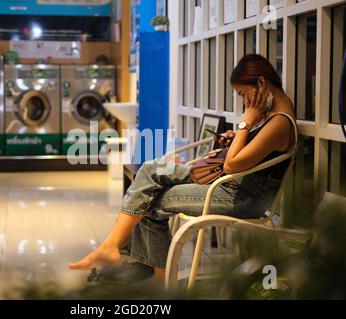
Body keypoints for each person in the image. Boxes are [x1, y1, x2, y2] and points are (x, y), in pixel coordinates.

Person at [68, 54, 298, 281]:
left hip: (242, 198)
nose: (245, 103)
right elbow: (242, 157)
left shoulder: (280, 122)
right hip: (229, 187)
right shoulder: (270, 117)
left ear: (260, 83)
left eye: (243, 94)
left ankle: (148, 272)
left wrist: (246, 121)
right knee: (150, 172)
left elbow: (231, 164)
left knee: (150, 198)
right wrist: (237, 135)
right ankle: (123, 253)